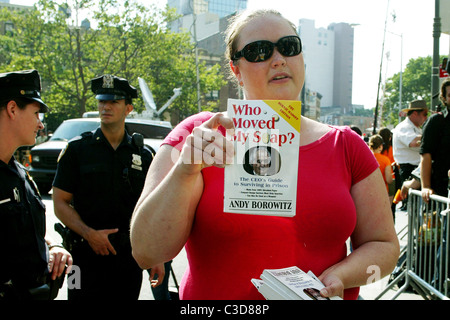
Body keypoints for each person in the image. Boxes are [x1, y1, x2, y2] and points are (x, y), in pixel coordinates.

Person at [130, 9, 399, 300]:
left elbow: (383, 244)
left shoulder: (346, 145)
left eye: (289, 46)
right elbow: (146, 251)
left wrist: (338, 277)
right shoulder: (198, 135)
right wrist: (184, 171)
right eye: (259, 51)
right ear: (236, 70)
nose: (279, 59)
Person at [52, 74, 164, 300]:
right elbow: (59, 203)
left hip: (127, 259)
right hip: (82, 257)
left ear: (128, 108)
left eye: (114, 102)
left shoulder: (142, 155)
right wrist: (89, 234)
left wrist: (156, 255)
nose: (106, 106)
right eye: (102, 101)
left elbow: (152, 209)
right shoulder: (76, 150)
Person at [0, 69, 72, 300]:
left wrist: (52, 247)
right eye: (36, 113)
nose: (40, 125)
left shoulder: (20, 173)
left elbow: (21, 233)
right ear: (12, 109)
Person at [392, 99, 428, 206]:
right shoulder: (404, 127)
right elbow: (413, 142)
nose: (426, 117)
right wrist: (431, 136)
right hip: (409, 169)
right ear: (415, 113)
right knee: (414, 205)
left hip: (415, 168)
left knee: (418, 205)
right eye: (425, 114)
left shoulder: (416, 128)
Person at [420, 78, 450, 202]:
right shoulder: (436, 121)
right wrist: (425, 187)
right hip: (441, 191)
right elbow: (426, 154)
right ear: (444, 98)